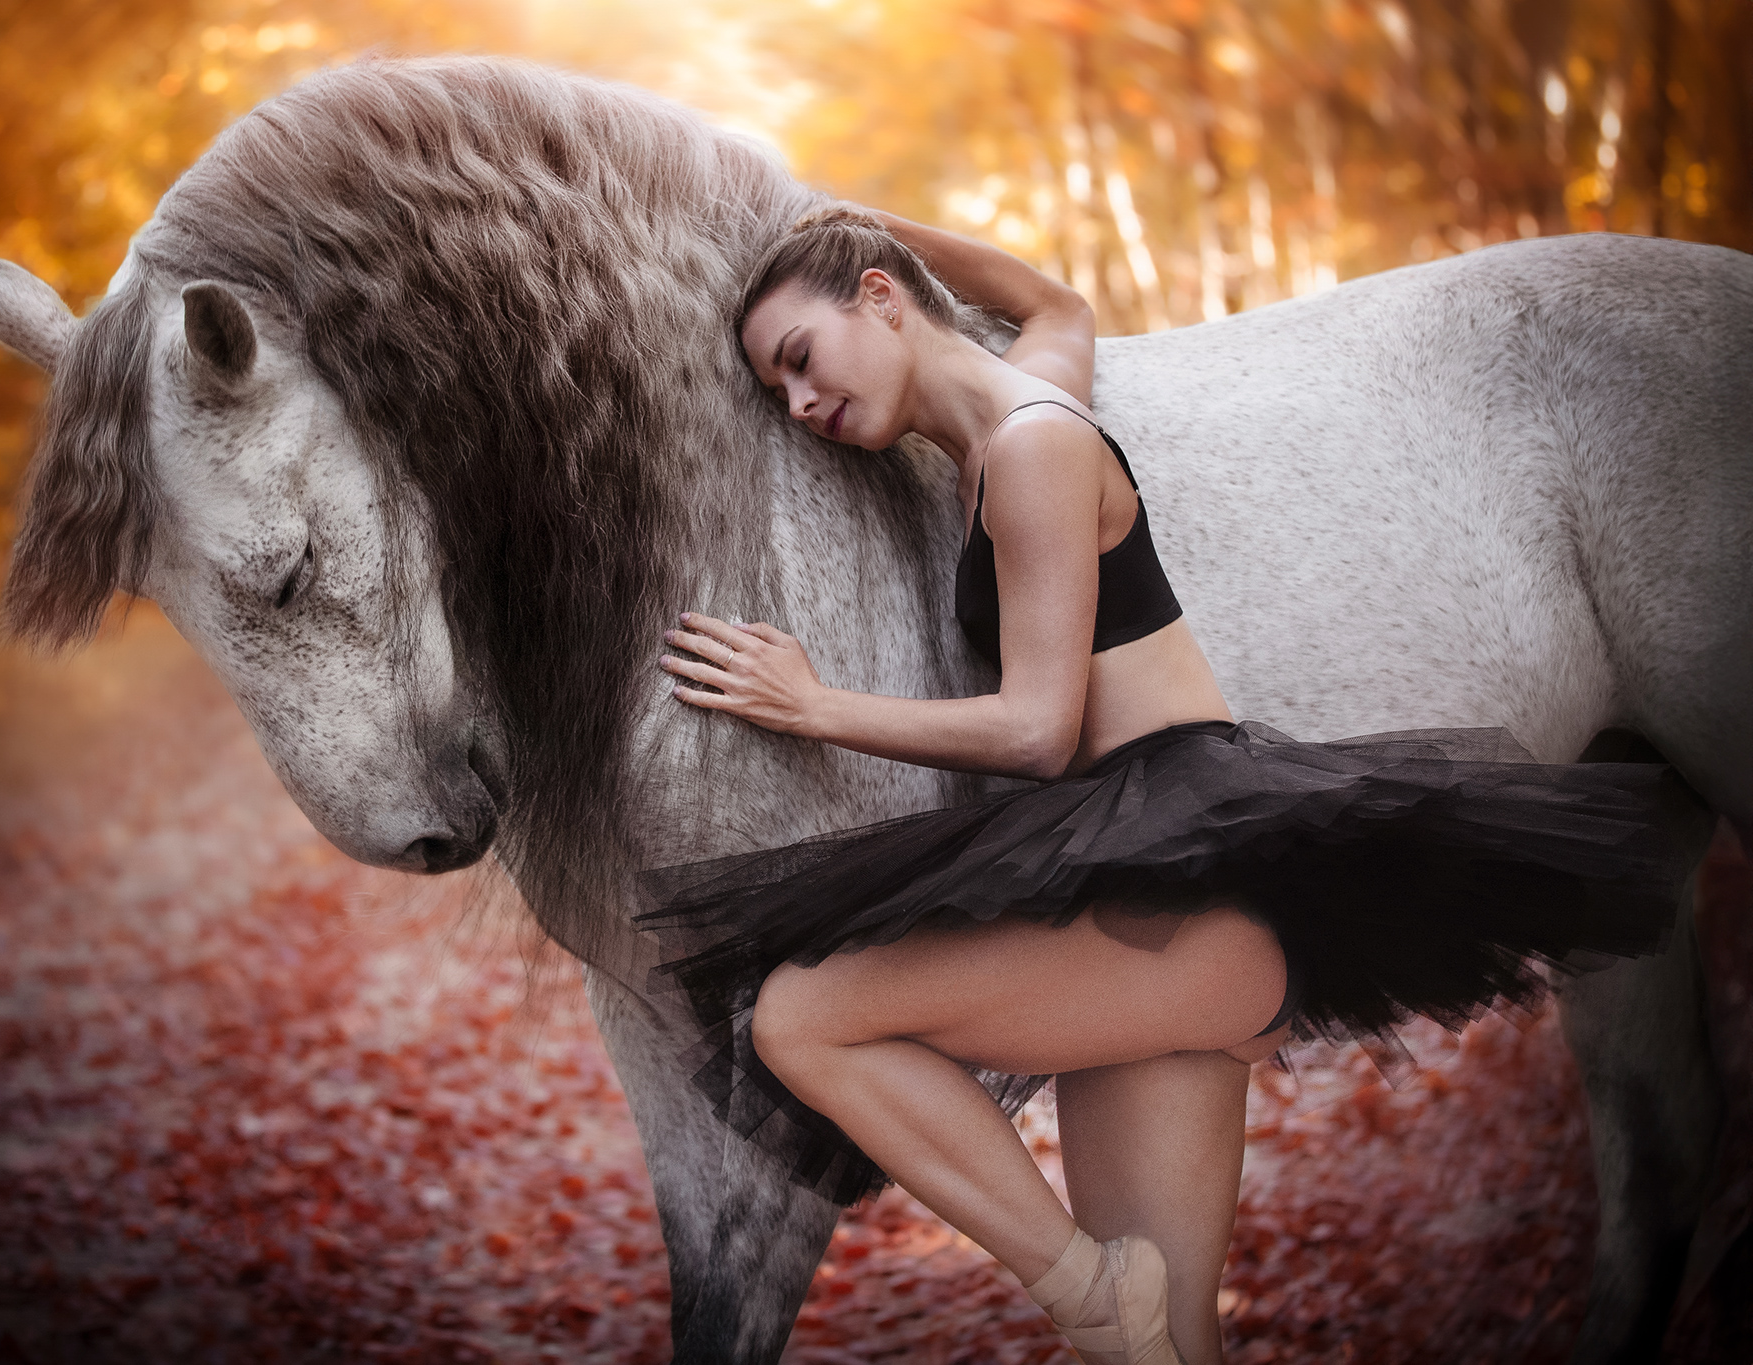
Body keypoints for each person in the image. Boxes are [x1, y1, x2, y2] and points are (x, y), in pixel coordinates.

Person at [637, 206, 1700, 1365]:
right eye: (776, 389)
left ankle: (1081, 1287)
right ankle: (1107, 1302)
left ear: (882, 298)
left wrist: (811, 705)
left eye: (800, 357)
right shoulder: (1022, 401)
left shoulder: (1037, 445)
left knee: (802, 1017)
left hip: (1184, 891)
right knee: (1164, 1346)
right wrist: (848, 215)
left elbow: (1039, 731)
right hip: (1146, 890)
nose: (798, 404)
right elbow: (1056, 302)